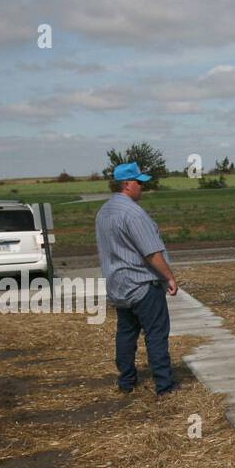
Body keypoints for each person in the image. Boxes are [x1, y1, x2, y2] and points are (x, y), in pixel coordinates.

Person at [94, 161, 179, 396]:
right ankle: (164, 385)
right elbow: (151, 252)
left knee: (126, 333)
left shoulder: (104, 212)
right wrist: (169, 277)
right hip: (142, 285)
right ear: (127, 184)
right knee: (156, 333)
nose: (142, 187)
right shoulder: (133, 213)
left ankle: (126, 381)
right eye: (139, 182)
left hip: (118, 285)